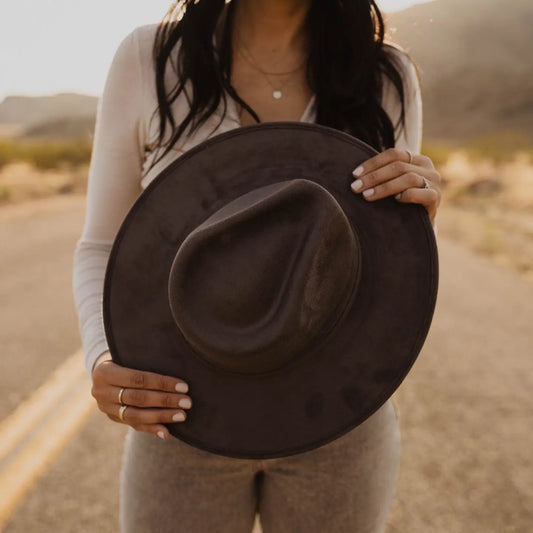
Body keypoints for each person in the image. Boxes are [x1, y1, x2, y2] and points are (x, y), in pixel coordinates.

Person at [72, 0, 441, 531]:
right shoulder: (148, 59)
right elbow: (101, 244)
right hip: (182, 415)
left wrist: (420, 215)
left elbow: (386, 255)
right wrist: (100, 356)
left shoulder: (385, 75)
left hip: (341, 419)